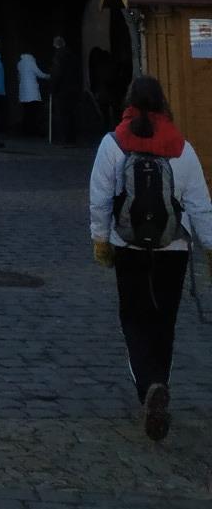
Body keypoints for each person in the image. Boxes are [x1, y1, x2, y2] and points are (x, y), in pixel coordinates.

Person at [89, 75, 212, 441]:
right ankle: (160, 381)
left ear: (129, 102)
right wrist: (210, 247)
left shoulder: (113, 144)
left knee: (134, 319)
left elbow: (100, 198)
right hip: (172, 248)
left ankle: (148, 389)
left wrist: (100, 240)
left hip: (128, 246)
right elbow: (200, 205)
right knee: (164, 322)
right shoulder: (181, 147)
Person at [49, 34, 82, 145]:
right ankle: (72, 138)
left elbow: (57, 73)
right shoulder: (72, 55)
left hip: (62, 90)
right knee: (72, 114)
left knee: (63, 115)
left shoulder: (58, 56)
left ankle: (66, 139)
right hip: (73, 89)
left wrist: (53, 88)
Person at [16, 51, 50, 137]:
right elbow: (39, 74)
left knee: (26, 112)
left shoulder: (20, 63)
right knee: (33, 112)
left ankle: (26, 130)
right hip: (32, 93)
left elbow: (19, 77)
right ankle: (33, 131)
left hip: (23, 92)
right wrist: (48, 76)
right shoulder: (31, 62)